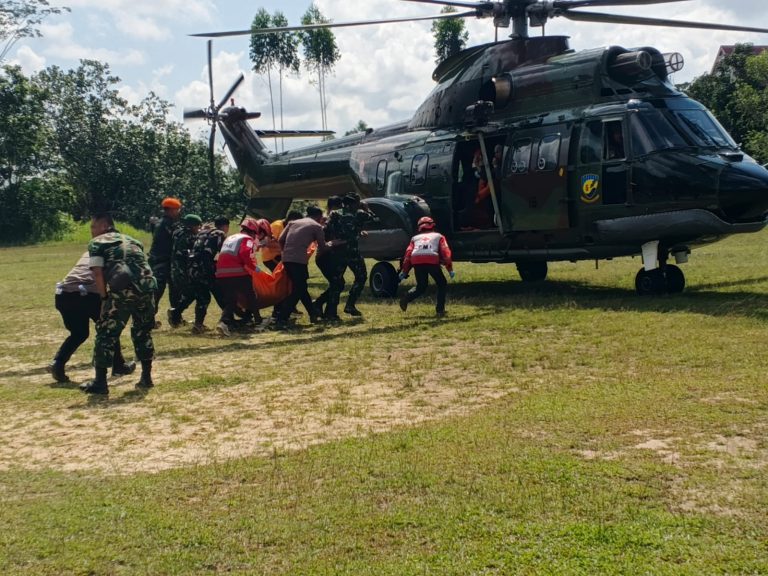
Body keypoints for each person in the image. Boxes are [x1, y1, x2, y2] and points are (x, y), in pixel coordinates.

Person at [80, 214, 157, 395]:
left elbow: (97, 273)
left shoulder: (97, 243)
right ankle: (146, 377)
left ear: (105, 226)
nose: (92, 231)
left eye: (94, 227)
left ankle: (100, 382)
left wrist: (104, 297)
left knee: (106, 333)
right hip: (147, 288)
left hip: (122, 289)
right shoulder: (134, 241)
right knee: (142, 331)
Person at [48, 253, 136, 383]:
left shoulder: (89, 252)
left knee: (79, 333)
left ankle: (58, 363)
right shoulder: (113, 254)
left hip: (63, 294)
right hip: (86, 294)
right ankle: (119, 365)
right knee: (109, 328)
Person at [274, 206, 336, 329]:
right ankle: (282, 318)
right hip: (299, 261)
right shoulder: (316, 226)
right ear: (318, 217)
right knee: (298, 290)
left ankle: (313, 314)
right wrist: (334, 243)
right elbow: (323, 247)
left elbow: (280, 240)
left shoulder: (293, 222)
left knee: (301, 288)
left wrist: (285, 253)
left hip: (287, 259)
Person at [325, 193, 378, 317]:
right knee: (361, 277)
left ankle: (330, 312)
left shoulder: (335, 214)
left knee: (336, 282)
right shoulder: (360, 214)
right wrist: (367, 208)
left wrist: (333, 241)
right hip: (353, 252)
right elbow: (376, 220)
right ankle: (350, 304)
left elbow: (326, 229)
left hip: (338, 251)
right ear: (354, 203)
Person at [215, 218, 267, 337]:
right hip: (237, 273)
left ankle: (223, 322)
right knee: (251, 295)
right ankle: (258, 320)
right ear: (253, 231)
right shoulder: (247, 239)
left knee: (231, 300)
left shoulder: (231, 237)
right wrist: (255, 268)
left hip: (221, 274)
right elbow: (245, 254)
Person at [398, 216, 454, 317]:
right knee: (442, 284)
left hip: (416, 260)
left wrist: (405, 271)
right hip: (432, 259)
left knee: (421, 286)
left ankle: (406, 298)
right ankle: (440, 310)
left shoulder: (414, 238)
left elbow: (408, 255)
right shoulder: (439, 236)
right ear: (433, 225)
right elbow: (446, 253)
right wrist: (449, 269)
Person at [185, 216, 229, 333]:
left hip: (192, 269)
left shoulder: (204, 232)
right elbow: (224, 253)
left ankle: (198, 325)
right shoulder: (220, 234)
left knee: (203, 298)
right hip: (206, 270)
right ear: (226, 226)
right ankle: (226, 321)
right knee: (222, 295)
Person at [148, 197, 182, 323]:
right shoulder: (166, 224)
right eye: (177, 209)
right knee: (158, 291)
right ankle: (149, 319)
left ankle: (175, 318)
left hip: (164, 261)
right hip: (161, 262)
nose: (178, 212)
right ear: (171, 210)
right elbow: (176, 237)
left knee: (174, 290)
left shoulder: (160, 222)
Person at [313, 196, 345, 320]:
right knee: (337, 283)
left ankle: (320, 305)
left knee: (338, 283)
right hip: (326, 256)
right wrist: (335, 242)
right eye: (339, 207)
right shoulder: (329, 219)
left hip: (328, 256)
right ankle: (328, 311)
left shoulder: (331, 218)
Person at [167, 214, 202, 327]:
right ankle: (175, 313)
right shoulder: (188, 236)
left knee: (177, 293)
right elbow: (188, 254)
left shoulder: (177, 232)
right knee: (192, 292)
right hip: (182, 270)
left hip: (174, 268)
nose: (198, 229)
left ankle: (176, 317)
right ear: (191, 226)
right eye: (197, 226)